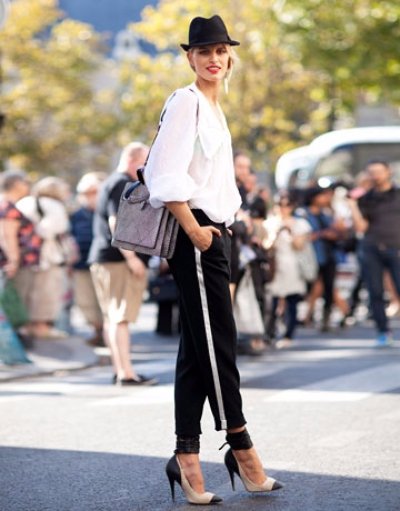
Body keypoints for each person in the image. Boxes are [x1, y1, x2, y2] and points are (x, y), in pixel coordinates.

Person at [145, 15, 283, 505]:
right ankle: (242, 447)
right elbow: (162, 173)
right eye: (204, 52)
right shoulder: (185, 102)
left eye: (221, 51)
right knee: (219, 345)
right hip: (198, 235)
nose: (214, 59)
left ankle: (185, 457)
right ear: (190, 58)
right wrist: (195, 232)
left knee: (196, 352)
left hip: (216, 234)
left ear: (230, 57)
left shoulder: (212, 106)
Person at [88, 141, 157, 386]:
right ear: (132, 160)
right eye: (145, 161)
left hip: (105, 257)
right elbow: (116, 222)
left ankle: (121, 370)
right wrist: (132, 258)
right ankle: (126, 373)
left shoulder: (110, 182)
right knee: (120, 318)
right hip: (118, 259)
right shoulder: (120, 183)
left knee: (112, 317)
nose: (149, 166)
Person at [348, 160, 400, 346]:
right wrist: (353, 206)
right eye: (372, 172)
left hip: (396, 248)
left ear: (388, 172)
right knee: (375, 292)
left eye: (379, 171)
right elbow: (361, 227)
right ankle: (383, 331)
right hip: (371, 248)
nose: (376, 175)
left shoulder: (397, 194)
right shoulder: (366, 198)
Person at [16, 176, 73, 338]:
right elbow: (55, 229)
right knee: (46, 292)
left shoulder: (24, 202)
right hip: (48, 257)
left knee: (25, 291)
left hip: (24, 256)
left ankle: (25, 326)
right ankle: (41, 327)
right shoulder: (55, 206)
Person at [265, 194, 311, 348]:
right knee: (272, 301)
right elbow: (266, 247)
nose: (283, 208)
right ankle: (269, 333)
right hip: (275, 266)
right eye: (280, 204)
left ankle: (289, 334)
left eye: (287, 205)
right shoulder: (269, 223)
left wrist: (291, 231)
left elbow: (300, 246)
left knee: (292, 301)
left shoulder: (301, 224)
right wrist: (275, 233)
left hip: (293, 266)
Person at [0, 170, 42, 339]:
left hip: (21, 262)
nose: (27, 186)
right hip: (18, 264)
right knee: (16, 302)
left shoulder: (8, 205)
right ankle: (15, 340)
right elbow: (7, 236)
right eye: (24, 182)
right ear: (16, 184)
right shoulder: (7, 207)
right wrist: (14, 261)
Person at [70, 172, 106, 346]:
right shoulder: (76, 215)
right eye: (85, 193)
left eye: (93, 192)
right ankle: (97, 330)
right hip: (81, 263)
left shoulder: (107, 210)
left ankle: (107, 333)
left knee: (104, 300)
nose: (89, 197)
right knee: (85, 300)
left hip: (103, 262)